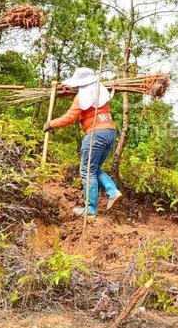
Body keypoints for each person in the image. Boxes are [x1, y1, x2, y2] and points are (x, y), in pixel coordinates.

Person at [43, 67, 122, 216]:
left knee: (86, 170)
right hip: (110, 133)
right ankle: (112, 191)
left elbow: (69, 117)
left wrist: (51, 124)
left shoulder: (82, 96)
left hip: (95, 135)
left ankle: (90, 209)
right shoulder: (101, 91)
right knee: (93, 169)